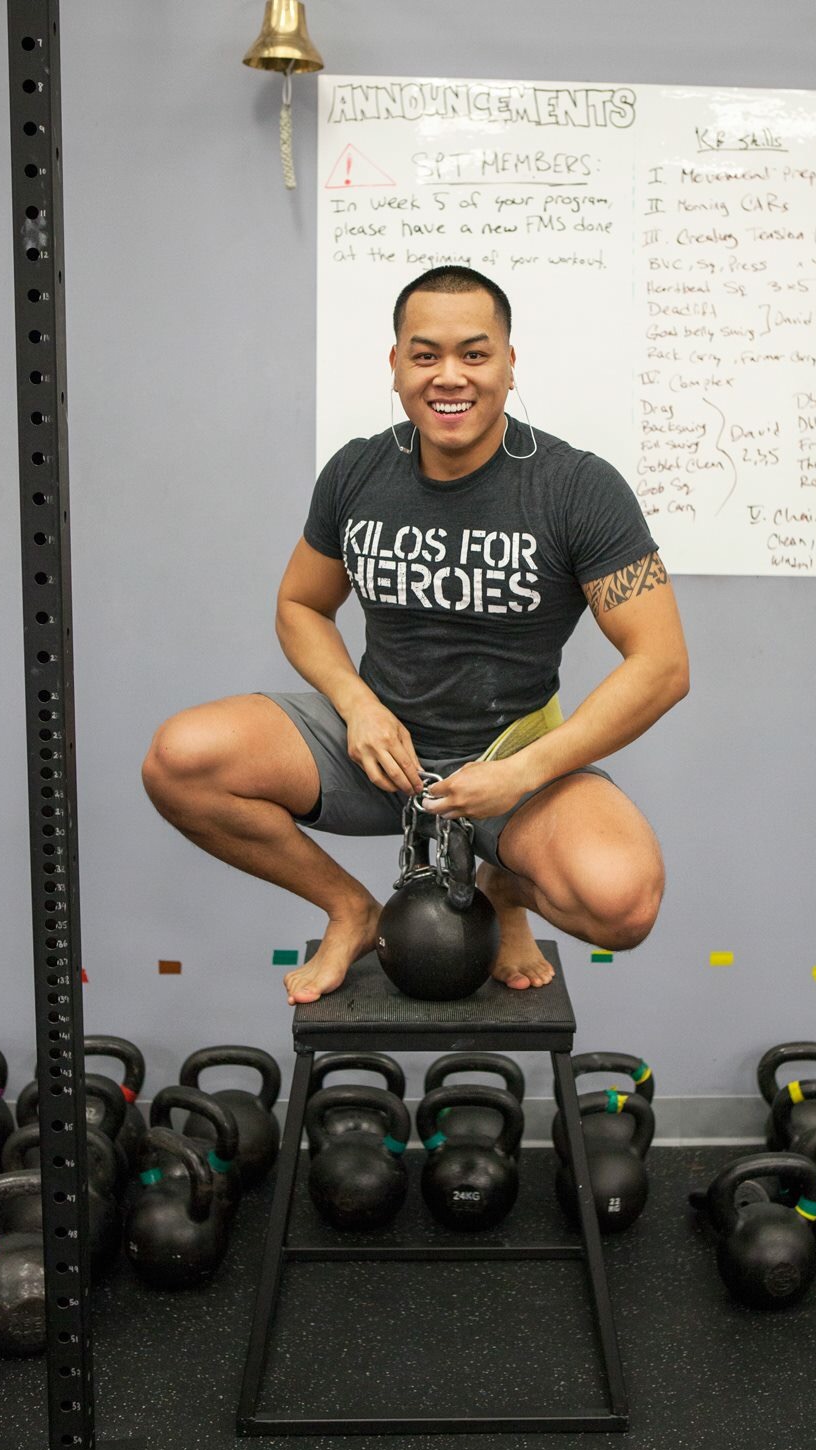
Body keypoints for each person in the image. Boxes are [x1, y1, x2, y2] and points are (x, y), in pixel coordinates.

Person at [142, 266, 689, 1004]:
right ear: (396, 364)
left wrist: (523, 773)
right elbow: (301, 605)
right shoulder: (358, 470)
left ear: (509, 363)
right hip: (378, 749)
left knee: (623, 904)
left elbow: (661, 664)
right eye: (426, 355)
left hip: (512, 760)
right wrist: (358, 706)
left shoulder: (576, 487)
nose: (449, 376)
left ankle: (503, 888)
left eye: (475, 353)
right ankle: (350, 909)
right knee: (180, 760)